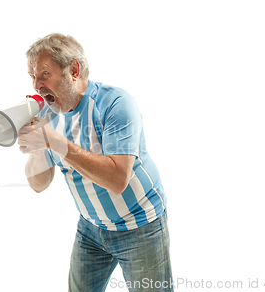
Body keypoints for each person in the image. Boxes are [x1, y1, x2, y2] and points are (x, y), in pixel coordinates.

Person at [17, 33, 173, 292]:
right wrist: (37, 148)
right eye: (32, 76)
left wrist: (53, 141)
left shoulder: (116, 104)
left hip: (139, 226)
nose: (37, 85)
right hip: (91, 227)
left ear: (74, 70)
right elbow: (38, 184)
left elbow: (117, 180)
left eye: (44, 74)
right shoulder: (45, 113)